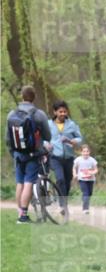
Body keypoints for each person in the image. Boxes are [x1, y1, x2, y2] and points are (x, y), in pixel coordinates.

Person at [5, 85, 52, 224]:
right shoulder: (39, 114)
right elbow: (47, 135)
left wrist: (13, 153)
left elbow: (8, 139)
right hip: (33, 154)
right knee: (28, 183)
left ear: (22, 97)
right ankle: (23, 216)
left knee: (19, 183)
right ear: (34, 97)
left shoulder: (11, 114)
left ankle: (20, 212)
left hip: (18, 154)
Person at [47, 100, 83, 218]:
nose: (63, 114)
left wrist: (70, 140)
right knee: (60, 179)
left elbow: (79, 138)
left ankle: (64, 203)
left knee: (67, 182)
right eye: (60, 111)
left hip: (68, 158)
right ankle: (62, 205)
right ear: (55, 112)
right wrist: (46, 144)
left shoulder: (71, 124)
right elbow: (42, 138)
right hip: (55, 157)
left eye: (65, 111)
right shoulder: (48, 124)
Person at [72, 144, 98, 214]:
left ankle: (84, 200)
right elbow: (74, 168)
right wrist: (74, 174)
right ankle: (85, 209)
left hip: (91, 179)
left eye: (87, 151)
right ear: (81, 152)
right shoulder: (78, 160)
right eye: (84, 151)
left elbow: (96, 170)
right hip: (82, 179)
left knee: (89, 193)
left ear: (89, 152)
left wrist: (92, 173)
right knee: (85, 193)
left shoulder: (92, 160)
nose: (85, 153)